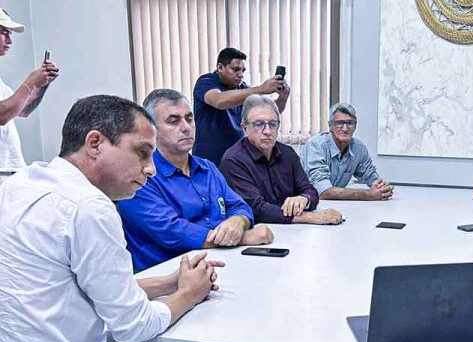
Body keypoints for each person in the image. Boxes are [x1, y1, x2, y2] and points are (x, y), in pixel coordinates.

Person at [0, 95, 253, 342]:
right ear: (95, 143)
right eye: (142, 152)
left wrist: (166, 282)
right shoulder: (89, 207)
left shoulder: (21, 185)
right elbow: (133, 327)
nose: (151, 168)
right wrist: (187, 295)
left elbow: (78, 286)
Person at [117, 89, 274, 272]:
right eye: (173, 121)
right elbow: (172, 232)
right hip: (166, 278)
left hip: (219, 266)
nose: (186, 127)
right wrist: (243, 237)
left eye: (189, 118)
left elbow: (239, 206)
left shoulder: (207, 168)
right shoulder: (139, 176)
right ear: (151, 130)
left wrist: (238, 222)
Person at [220, 95, 342, 225]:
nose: (267, 131)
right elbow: (256, 209)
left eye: (273, 124)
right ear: (245, 128)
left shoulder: (287, 153)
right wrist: (311, 218)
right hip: (257, 233)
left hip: (293, 232)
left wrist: (304, 199)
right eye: (259, 124)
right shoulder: (233, 160)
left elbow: (310, 190)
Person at [192, 47, 290, 166]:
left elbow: (268, 113)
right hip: (208, 161)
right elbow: (218, 101)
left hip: (236, 160)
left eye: (243, 71)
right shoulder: (206, 82)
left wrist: (283, 98)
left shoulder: (243, 89)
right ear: (220, 67)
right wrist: (260, 89)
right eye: (235, 69)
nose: (240, 75)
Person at [0, 8, 59, 168]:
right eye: (4, 32)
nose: (10, 41)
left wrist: (42, 85)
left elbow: (22, 110)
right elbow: (2, 115)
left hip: (9, 172)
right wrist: (31, 83)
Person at [300, 102, 392, 200]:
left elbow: (372, 177)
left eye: (349, 123)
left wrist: (382, 188)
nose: (345, 128)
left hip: (336, 204)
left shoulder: (359, 148)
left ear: (355, 126)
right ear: (330, 126)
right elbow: (323, 191)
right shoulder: (316, 145)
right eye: (339, 123)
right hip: (303, 203)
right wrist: (369, 195)